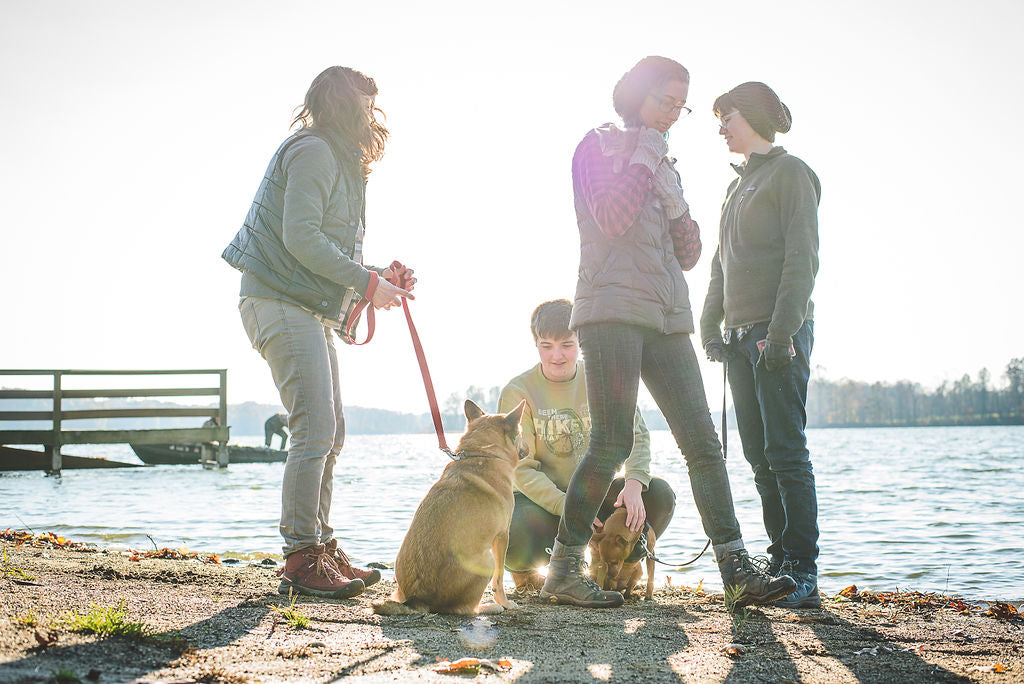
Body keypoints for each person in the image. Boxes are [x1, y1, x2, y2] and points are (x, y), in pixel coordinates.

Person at [540, 56, 796, 609]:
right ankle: (562, 570)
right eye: (666, 102)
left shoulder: (662, 160)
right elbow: (610, 217)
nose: (673, 115)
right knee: (611, 442)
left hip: (667, 316)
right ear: (636, 94)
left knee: (703, 443)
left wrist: (678, 205)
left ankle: (736, 571)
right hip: (610, 310)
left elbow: (690, 254)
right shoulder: (598, 146)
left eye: (681, 106)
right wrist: (644, 159)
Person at [222, 66, 415, 599]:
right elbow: (300, 237)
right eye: (368, 105)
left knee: (332, 431)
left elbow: (314, 249)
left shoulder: (333, 156)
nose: (375, 117)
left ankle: (321, 546)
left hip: (299, 303)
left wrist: (377, 275)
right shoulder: (313, 151)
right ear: (348, 107)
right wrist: (366, 282)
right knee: (315, 428)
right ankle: (302, 555)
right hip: (277, 301)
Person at [700, 82, 822, 608]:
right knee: (756, 455)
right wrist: (709, 326)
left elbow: (803, 260)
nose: (721, 127)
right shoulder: (735, 186)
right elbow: (720, 266)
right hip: (738, 340)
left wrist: (780, 334)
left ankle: (803, 569)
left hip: (776, 337)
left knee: (786, 452)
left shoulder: (791, 174)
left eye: (725, 116)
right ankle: (777, 561)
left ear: (749, 115)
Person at [498, 299, 676, 592]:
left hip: (597, 492)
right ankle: (531, 573)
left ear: (580, 341)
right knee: (512, 533)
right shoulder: (518, 391)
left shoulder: (603, 378)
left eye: (566, 344)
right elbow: (521, 470)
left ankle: (623, 566)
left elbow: (638, 435)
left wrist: (634, 483)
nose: (557, 356)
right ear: (536, 344)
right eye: (546, 346)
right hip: (547, 500)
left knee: (659, 496)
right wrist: (566, 506)